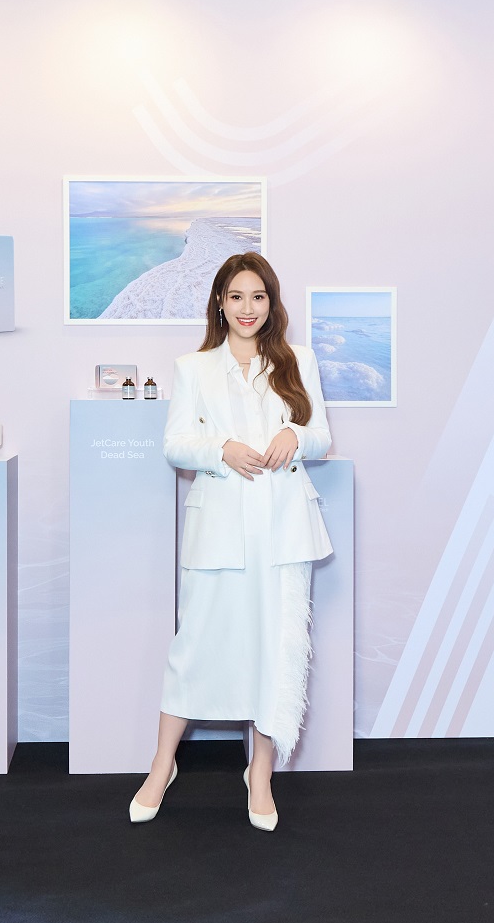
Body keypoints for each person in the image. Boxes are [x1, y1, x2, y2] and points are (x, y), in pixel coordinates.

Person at [128, 251, 332, 832]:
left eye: (258, 297)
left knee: (274, 648)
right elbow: (175, 445)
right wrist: (221, 449)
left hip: (283, 529)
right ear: (220, 302)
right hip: (218, 527)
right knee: (194, 646)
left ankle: (259, 774)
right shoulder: (193, 368)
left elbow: (321, 435)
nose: (248, 308)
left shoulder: (298, 361)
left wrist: (295, 435)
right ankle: (161, 766)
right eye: (237, 296)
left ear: (272, 303)